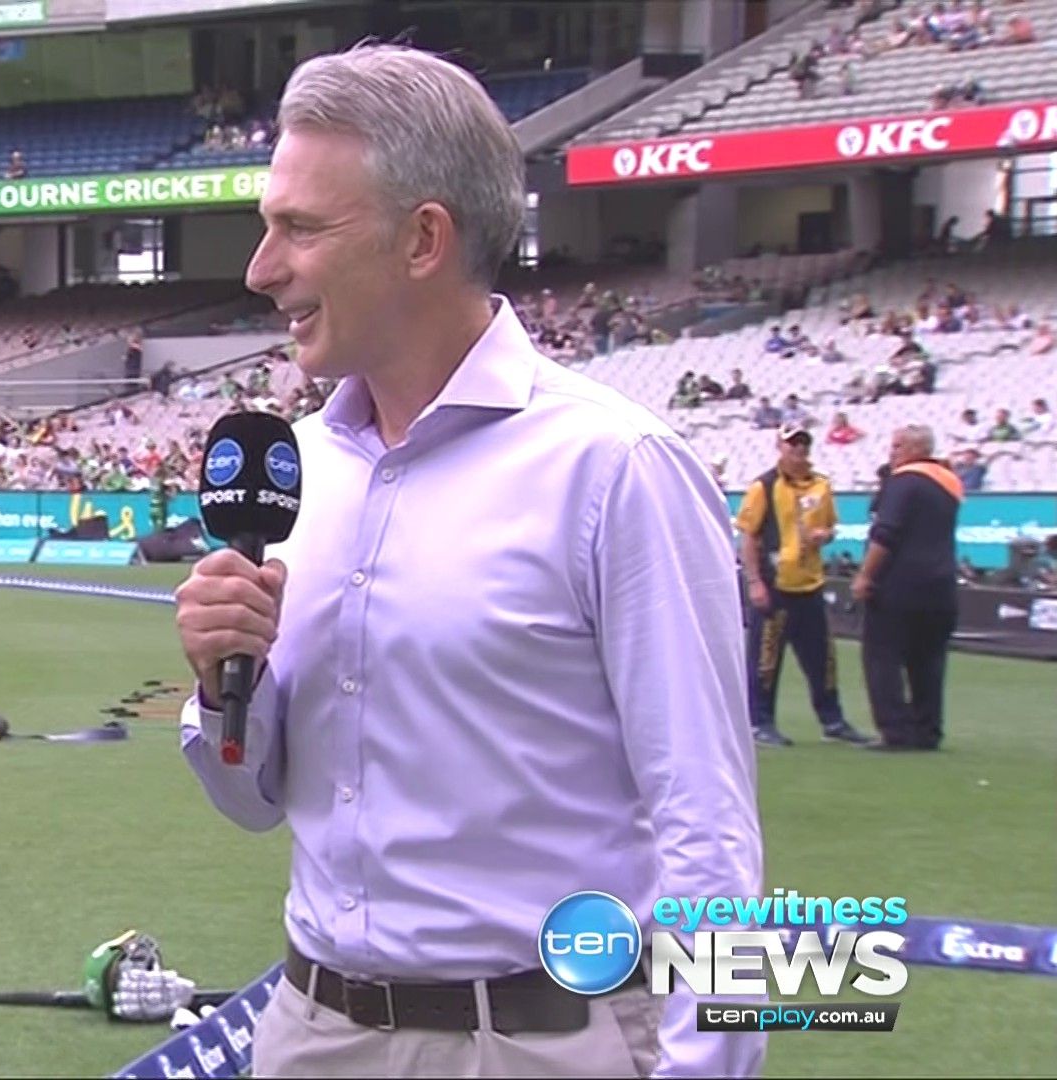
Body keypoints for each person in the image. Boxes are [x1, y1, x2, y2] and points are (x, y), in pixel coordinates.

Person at [172, 44, 764, 1079]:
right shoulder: (299, 470)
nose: (261, 269)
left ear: (423, 240)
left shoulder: (613, 468)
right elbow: (252, 802)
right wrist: (230, 685)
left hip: (545, 1043)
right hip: (316, 1034)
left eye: (300, 228)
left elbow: (706, 822)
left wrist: (709, 1061)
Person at [734, 425, 871, 747]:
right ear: (780, 447)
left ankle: (832, 720)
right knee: (766, 659)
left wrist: (825, 535)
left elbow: (830, 527)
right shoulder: (764, 486)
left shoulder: (821, 485)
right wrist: (754, 581)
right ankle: (760, 721)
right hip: (775, 583)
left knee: (822, 657)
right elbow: (749, 536)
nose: (798, 450)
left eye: (803, 444)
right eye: (792, 444)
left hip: (809, 584)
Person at [853, 425, 963, 750]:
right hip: (940, 584)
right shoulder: (948, 483)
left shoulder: (903, 482)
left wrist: (865, 576)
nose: (892, 452)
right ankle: (927, 730)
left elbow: (886, 533)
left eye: (898, 446)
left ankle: (895, 730)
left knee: (882, 657)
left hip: (898, 584)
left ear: (916, 450)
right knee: (929, 661)